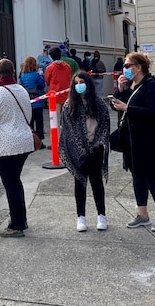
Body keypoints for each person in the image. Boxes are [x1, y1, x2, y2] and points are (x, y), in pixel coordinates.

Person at [110, 52, 155, 232]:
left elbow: (153, 112)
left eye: (128, 66)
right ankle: (142, 214)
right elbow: (119, 108)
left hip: (149, 141)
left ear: (138, 67)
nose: (125, 69)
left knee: (152, 178)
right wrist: (120, 91)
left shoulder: (152, 87)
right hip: (132, 141)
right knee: (137, 178)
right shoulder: (131, 86)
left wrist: (128, 108)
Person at [0, 58, 35, 238]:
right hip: (24, 142)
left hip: (5, 145)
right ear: (12, 71)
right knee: (15, 181)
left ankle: (17, 224)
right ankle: (21, 219)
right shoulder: (22, 90)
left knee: (10, 184)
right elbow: (29, 114)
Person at [59, 71, 110, 232]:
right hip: (78, 151)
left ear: (88, 84)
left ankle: (101, 215)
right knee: (80, 182)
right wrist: (81, 148)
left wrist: (98, 143)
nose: (79, 85)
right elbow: (68, 130)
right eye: (76, 83)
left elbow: (105, 126)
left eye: (82, 82)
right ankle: (80, 216)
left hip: (96, 149)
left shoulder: (99, 104)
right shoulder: (69, 105)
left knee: (96, 182)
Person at [18, 56, 47, 148]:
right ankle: (39, 142)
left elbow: (20, 87)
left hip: (27, 102)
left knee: (30, 122)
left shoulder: (23, 75)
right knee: (39, 122)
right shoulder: (36, 75)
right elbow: (42, 85)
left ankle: (31, 141)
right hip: (37, 102)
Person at [44, 47, 72, 120]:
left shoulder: (50, 68)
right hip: (66, 94)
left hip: (54, 96)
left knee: (55, 119)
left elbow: (47, 81)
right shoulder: (67, 66)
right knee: (67, 119)